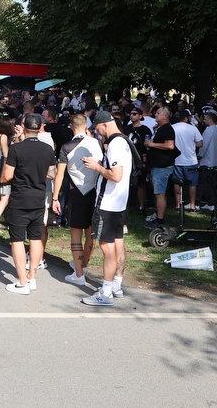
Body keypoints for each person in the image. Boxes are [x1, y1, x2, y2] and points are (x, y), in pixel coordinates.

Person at [0, 113, 55, 295]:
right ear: (40, 128)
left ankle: (22, 281)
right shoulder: (48, 149)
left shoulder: (17, 148)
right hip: (38, 198)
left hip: (20, 198)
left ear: (24, 128)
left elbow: (7, 175)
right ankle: (31, 276)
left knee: (17, 239)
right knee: (35, 238)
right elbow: (52, 173)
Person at [81, 111, 133, 306]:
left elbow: (116, 175)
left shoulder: (115, 144)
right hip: (119, 203)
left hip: (108, 203)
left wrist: (96, 167)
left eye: (98, 129)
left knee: (106, 247)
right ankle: (116, 286)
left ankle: (106, 292)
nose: (99, 134)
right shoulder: (124, 141)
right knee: (117, 242)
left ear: (104, 125)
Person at [54, 113, 102, 285]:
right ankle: (84, 265)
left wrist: (55, 197)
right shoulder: (96, 143)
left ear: (70, 126)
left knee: (76, 234)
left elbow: (59, 175)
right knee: (91, 232)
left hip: (76, 192)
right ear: (86, 126)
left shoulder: (67, 146)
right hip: (94, 192)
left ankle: (79, 274)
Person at [144, 107, 177, 229]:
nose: (155, 114)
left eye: (158, 113)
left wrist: (152, 144)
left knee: (160, 193)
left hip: (162, 166)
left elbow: (170, 145)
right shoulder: (161, 129)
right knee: (157, 193)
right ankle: (158, 215)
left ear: (165, 116)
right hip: (157, 165)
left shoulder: (167, 129)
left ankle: (160, 220)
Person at [173, 109, 204, 211]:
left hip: (177, 159)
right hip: (191, 160)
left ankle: (178, 205)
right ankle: (192, 205)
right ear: (187, 118)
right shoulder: (193, 129)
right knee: (192, 183)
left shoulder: (173, 128)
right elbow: (200, 144)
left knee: (177, 183)